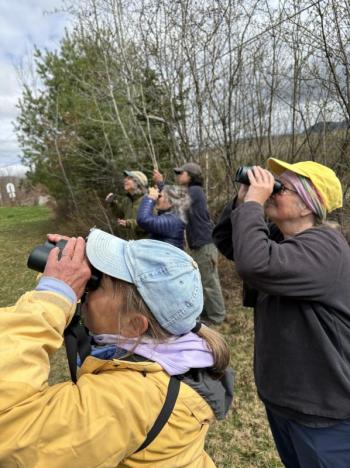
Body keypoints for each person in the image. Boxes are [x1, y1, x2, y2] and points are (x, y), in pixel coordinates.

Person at [0, 230, 233, 467]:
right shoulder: (169, 350)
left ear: (133, 324)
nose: (89, 280)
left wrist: (53, 296)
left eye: (100, 280)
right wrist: (67, 271)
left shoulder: (129, 397)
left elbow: (11, 432)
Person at [213, 158, 350, 468]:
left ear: (307, 205)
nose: (272, 192)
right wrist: (242, 199)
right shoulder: (282, 238)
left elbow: (254, 264)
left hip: (322, 413)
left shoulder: (326, 247)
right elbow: (227, 241)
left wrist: (253, 206)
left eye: (281, 188)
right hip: (285, 401)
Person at [153, 164, 226, 325]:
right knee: (203, 281)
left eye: (181, 173)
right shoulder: (192, 192)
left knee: (209, 282)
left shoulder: (195, 191)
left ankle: (217, 317)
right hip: (199, 244)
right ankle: (209, 312)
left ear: (191, 175)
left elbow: (171, 198)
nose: (178, 175)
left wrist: (160, 183)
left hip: (205, 245)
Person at [136, 184, 191, 250]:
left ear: (170, 202)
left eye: (160, 196)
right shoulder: (173, 217)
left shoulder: (173, 220)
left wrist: (151, 198)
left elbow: (144, 220)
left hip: (168, 259)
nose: (157, 199)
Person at [105, 170, 148, 240]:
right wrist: (112, 204)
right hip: (132, 244)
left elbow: (150, 224)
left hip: (148, 245)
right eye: (125, 178)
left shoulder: (149, 200)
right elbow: (120, 215)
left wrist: (129, 224)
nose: (125, 180)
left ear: (138, 183)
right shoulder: (127, 201)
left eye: (129, 178)